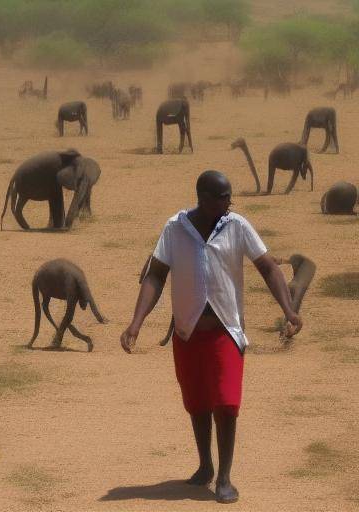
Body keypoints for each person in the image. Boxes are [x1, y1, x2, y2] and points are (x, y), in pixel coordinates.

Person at [120, 170, 302, 504]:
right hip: (187, 333)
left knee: (227, 403)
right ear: (203, 199)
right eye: (222, 197)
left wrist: (288, 310)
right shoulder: (175, 228)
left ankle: (225, 477)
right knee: (197, 402)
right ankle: (205, 466)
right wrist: (136, 323)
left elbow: (269, 268)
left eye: (229, 196)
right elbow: (156, 275)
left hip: (225, 332)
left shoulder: (238, 225)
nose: (229, 202)